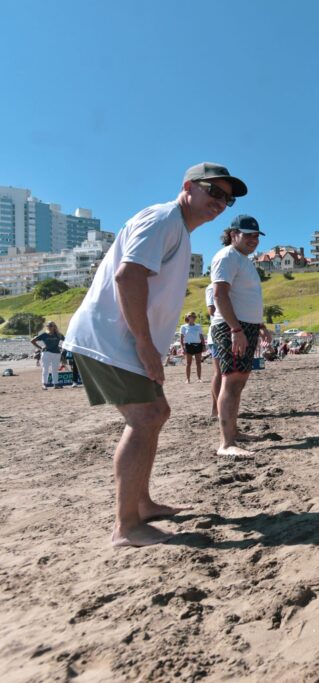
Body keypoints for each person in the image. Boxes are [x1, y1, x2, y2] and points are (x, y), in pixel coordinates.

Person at [62, 161, 247, 546]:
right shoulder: (164, 219)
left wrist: (147, 344)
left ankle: (142, 505)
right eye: (214, 191)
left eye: (227, 200)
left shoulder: (177, 228)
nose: (220, 202)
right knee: (146, 417)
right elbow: (128, 276)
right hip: (110, 339)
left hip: (121, 340)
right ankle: (126, 526)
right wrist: (145, 344)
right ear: (188, 187)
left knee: (155, 413)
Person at [209, 215, 274, 457]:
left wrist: (260, 326)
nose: (253, 240)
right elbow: (219, 295)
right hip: (231, 327)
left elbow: (245, 299)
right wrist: (236, 330)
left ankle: (233, 432)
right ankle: (226, 443)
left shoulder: (243, 260)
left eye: (256, 236)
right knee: (231, 381)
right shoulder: (227, 256)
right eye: (248, 235)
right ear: (233, 234)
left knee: (238, 383)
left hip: (245, 327)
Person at [31, 321, 65, 389]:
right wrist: (40, 348)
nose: (49, 327)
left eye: (51, 326)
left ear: (54, 326)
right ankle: (44, 384)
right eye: (48, 326)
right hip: (46, 353)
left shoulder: (58, 335)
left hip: (56, 353)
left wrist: (62, 347)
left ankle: (56, 384)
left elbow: (66, 340)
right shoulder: (44, 334)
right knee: (45, 369)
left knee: (55, 369)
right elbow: (32, 341)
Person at [205, 283, 222, 417]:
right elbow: (211, 310)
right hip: (218, 334)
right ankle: (217, 407)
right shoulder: (212, 287)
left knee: (222, 373)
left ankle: (216, 407)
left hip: (223, 334)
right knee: (219, 373)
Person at [179, 312, 205, 383]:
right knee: (188, 363)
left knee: (198, 362)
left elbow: (201, 336)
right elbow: (181, 339)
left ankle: (199, 378)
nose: (193, 318)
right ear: (188, 317)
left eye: (194, 317)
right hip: (188, 345)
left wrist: (203, 346)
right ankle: (188, 379)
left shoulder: (198, 326)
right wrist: (182, 348)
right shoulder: (183, 327)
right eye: (191, 316)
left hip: (198, 345)